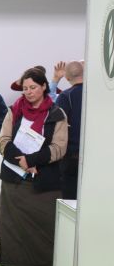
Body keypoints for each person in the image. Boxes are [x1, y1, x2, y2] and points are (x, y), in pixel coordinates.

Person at [0, 67, 68, 266]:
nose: (29, 92)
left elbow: (59, 147)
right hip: (15, 180)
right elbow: (4, 140)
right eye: (25, 88)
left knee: (47, 229)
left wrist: (33, 161)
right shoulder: (14, 110)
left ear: (44, 86)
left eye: (33, 87)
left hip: (44, 181)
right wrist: (22, 162)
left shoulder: (57, 114)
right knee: (17, 229)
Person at [55, 61, 84, 200]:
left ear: (66, 78)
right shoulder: (97, 95)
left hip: (72, 157)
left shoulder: (65, 97)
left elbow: (58, 125)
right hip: (96, 157)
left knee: (70, 202)